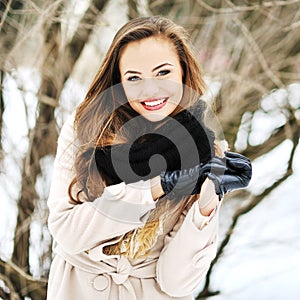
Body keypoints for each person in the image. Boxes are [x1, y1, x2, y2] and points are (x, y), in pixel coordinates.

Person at [46, 16, 252, 300]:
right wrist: (155, 187)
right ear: (119, 81)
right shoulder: (85, 129)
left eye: (163, 72)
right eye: (134, 78)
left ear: (183, 71)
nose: (150, 89)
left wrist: (206, 202)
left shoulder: (203, 149)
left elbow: (176, 282)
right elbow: (67, 233)